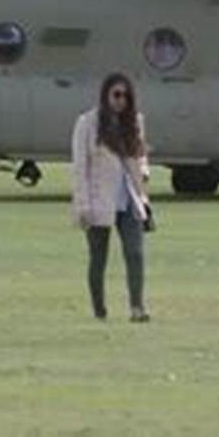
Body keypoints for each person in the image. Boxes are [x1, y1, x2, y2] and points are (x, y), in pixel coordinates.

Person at [71, 73, 152, 322]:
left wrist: (144, 183)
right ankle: (99, 309)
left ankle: (137, 307)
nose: (121, 101)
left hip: (129, 198)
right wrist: (83, 204)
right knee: (98, 256)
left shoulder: (135, 122)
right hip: (99, 199)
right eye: (116, 95)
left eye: (126, 96)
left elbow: (140, 156)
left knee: (135, 252)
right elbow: (80, 166)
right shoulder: (88, 123)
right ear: (106, 95)